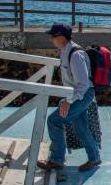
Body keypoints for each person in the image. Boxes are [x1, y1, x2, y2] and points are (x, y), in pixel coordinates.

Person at [37, 22, 101, 172]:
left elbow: (83, 84)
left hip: (82, 95)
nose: (50, 39)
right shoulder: (65, 51)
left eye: (53, 36)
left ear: (61, 37)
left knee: (54, 121)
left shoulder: (75, 55)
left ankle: (57, 160)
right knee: (81, 127)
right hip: (78, 94)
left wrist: (68, 101)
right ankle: (94, 158)